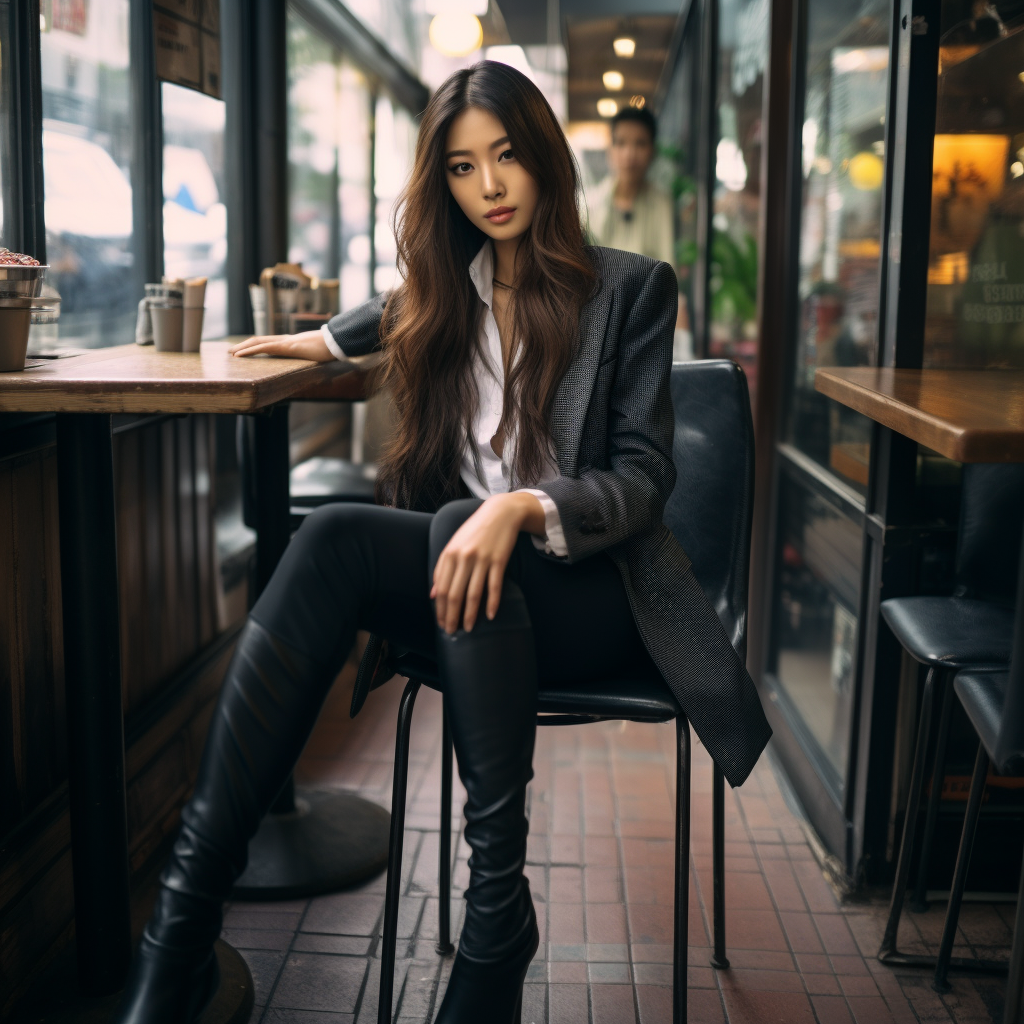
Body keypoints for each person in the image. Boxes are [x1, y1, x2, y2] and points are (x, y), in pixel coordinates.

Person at [112, 61, 770, 1024]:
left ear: (543, 156)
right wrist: (317, 342)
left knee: (468, 518)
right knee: (335, 534)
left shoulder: (630, 289)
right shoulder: (445, 289)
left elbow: (642, 478)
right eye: (463, 168)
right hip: (473, 592)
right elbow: (391, 310)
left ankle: (495, 916)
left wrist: (521, 509)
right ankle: (179, 934)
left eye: (507, 156)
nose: (491, 186)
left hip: (593, 594)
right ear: (444, 184)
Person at [586, 105, 675, 266]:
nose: (629, 154)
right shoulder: (590, 204)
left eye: (640, 144)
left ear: (652, 152)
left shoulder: (662, 203)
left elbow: (668, 264)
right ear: (609, 150)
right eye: (620, 143)